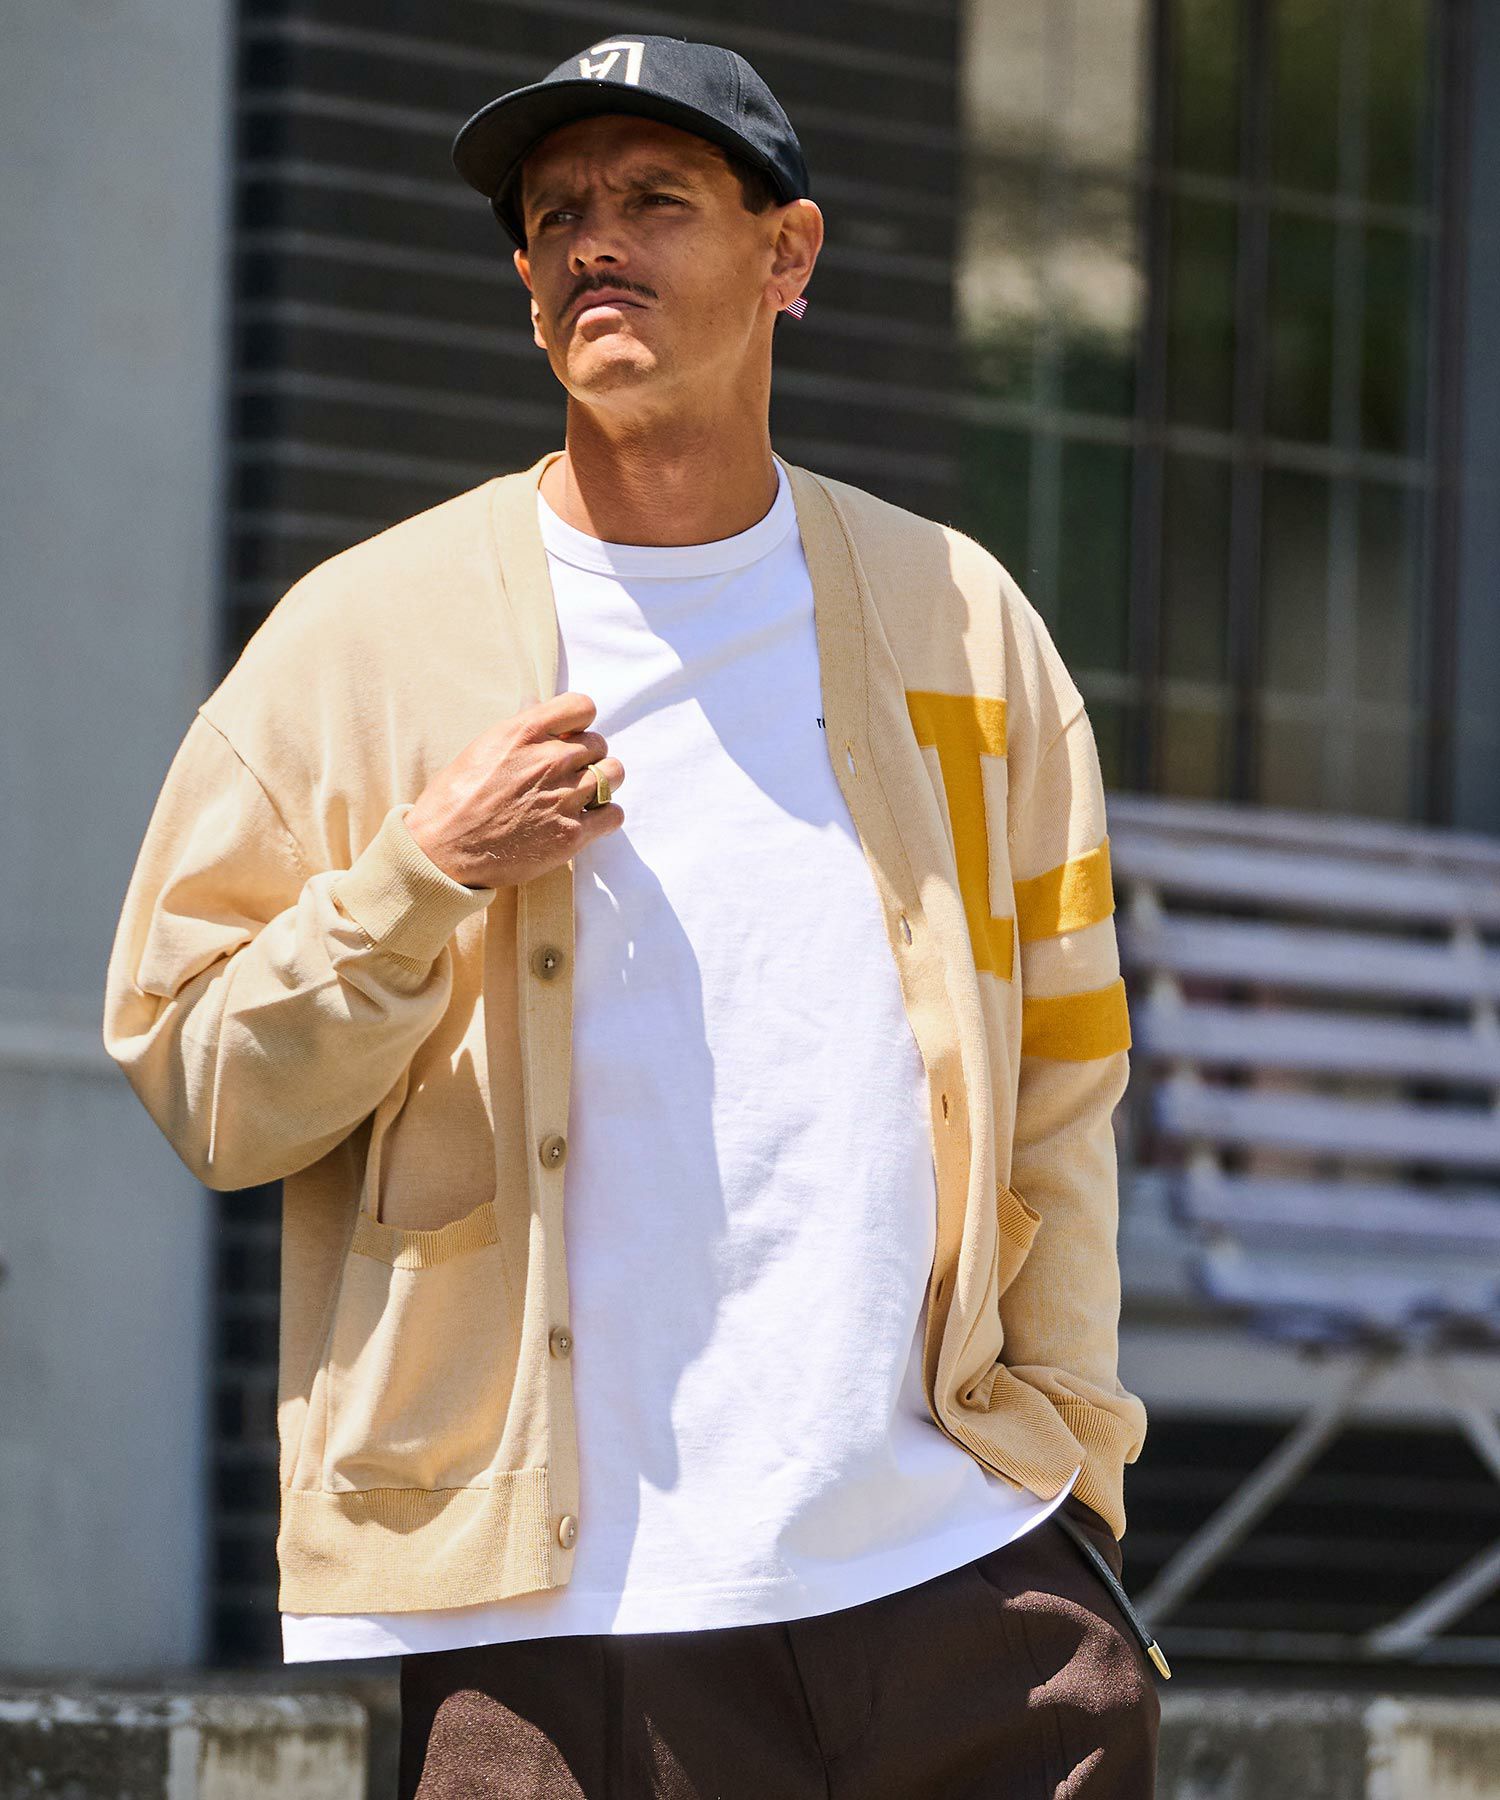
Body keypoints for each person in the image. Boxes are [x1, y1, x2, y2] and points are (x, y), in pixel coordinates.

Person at [102, 31, 1163, 1798]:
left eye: (656, 198)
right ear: (528, 290)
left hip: (959, 1584)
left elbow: (1065, 1076)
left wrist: (1068, 1471)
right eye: (555, 214)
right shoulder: (361, 643)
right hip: (558, 1625)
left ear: (788, 253)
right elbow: (205, 1078)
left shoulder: (963, 621)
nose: (593, 239)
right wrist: (423, 873)